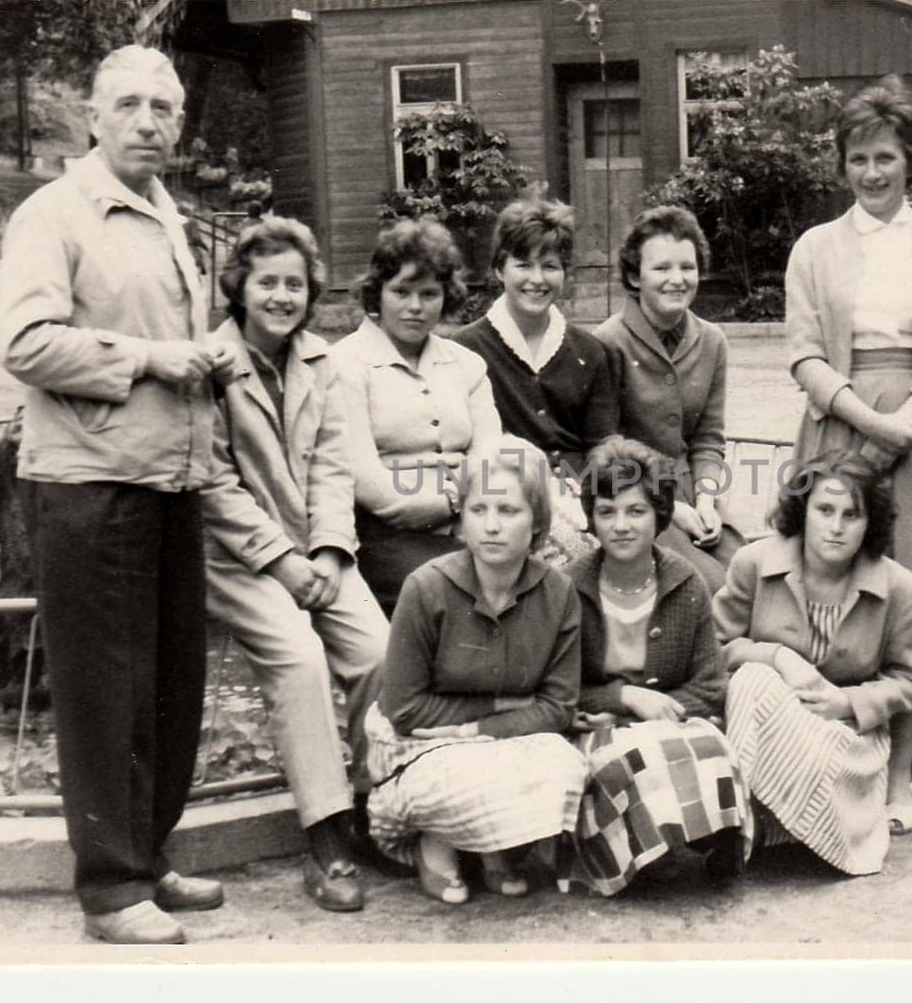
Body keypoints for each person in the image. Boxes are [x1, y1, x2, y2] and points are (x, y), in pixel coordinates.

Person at [0, 45, 236, 944]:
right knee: (103, 692)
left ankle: (150, 853)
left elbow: (164, 335)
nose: (148, 122)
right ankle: (110, 889)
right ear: (92, 118)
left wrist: (205, 352)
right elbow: (22, 341)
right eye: (129, 105)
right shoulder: (53, 214)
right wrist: (148, 359)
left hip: (169, 480)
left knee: (169, 683)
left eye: (163, 109)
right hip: (89, 489)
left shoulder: (165, 213)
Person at [782, 78, 912, 832]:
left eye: (885, 158)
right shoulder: (814, 249)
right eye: (857, 159)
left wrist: (908, 415)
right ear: (842, 166)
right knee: (840, 596)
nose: (871, 173)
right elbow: (804, 354)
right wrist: (864, 420)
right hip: (840, 435)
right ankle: (836, 766)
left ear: (910, 161)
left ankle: (909, 774)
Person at [201, 216, 391, 912]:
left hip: (319, 553)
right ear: (240, 288)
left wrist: (330, 551)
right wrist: (282, 562)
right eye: (267, 282)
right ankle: (328, 837)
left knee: (379, 650)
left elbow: (334, 467)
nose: (282, 295)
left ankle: (375, 810)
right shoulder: (212, 363)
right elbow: (213, 484)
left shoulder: (323, 361)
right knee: (299, 660)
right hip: (238, 559)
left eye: (295, 283)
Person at [364, 439, 587, 905]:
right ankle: (437, 845)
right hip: (420, 745)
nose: (491, 526)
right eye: (478, 508)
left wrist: (480, 728)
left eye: (508, 510)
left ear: (538, 522)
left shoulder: (559, 593)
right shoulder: (426, 587)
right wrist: (498, 709)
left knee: (565, 767)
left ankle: (494, 849)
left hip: (496, 738)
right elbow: (404, 710)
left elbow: (559, 706)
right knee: (457, 773)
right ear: (461, 518)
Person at [712, 450, 912, 875]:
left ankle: (803, 825)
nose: (836, 527)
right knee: (753, 679)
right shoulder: (754, 563)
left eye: (852, 515)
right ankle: (737, 820)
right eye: (825, 510)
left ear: (870, 523)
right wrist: (776, 655)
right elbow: (712, 651)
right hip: (766, 728)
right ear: (802, 510)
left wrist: (846, 702)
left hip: (847, 736)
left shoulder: (897, 585)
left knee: (827, 765)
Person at [563, 437, 752, 895]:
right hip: (599, 726)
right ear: (592, 518)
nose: (621, 526)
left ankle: (714, 841)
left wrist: (649, 708)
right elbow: (561, 689)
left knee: (709, 747)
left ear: (659, 514)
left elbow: (710, 684)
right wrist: (624, 697)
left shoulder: (685, 582)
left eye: (636, 511)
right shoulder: (569, 586)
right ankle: (642, 856)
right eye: (607, 512)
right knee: (629, 758)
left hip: (673, 717)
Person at [330, 219, 502, 615]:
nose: (415, 307)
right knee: (458, 590)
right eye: (401, 291)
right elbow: (369, 483)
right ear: (377, 292)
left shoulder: (466, 364)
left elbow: (490, 456)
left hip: (473, 521)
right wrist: (455, 504)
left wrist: (471, 512)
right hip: (387, 534)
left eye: (429, 293)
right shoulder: (345, 364)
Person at [596, 205, 744, 591]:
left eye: (687, 267)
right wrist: (670, 508)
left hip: (696, 499)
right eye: (661, 268)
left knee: (754, 577)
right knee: (710, 587)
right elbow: (606, 445)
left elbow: (709, 439)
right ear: (634, 275)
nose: (677, 280)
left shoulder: (713, 341)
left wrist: (709, 500)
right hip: (635, 502)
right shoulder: (607, 343)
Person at [454, 198, 620, 477]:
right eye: (523, 265)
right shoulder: (465, 349)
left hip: (579, 496)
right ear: (499, 269)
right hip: (503, 497)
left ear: (565, 273)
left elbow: (601, 446)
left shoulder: (590, 351)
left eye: (550, 266)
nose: (538, 279)